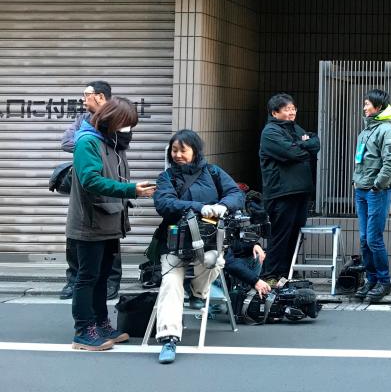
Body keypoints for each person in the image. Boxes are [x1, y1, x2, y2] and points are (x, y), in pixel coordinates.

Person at [67, 97, 156, 350]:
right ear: (112, 121)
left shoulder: (113, 144)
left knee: (102, 276)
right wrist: (132, 190)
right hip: (88, 223)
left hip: (109, 222)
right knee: (87, 277)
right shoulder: (88, 142)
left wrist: (131, 190)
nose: (128, 130)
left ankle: (101, 323)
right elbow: (90, 180)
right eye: (126, 124)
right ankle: (83, 330)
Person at [152, 129, 244, 364]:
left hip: (209, 240)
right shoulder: (166, 177)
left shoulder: (213, 172)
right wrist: (200, 207)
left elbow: (236, 193)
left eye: (183, 150)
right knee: (171, 283)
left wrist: (223, 206)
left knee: (215, 260)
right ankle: (169, 339)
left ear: (195, 151)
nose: (178, 155)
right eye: (174, 150)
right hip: (175, 243)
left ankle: (197, 292)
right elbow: (164, 204)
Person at [59, 81, 124, 300]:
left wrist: (89, 139)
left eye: (87, 95)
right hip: (84, 183)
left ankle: (111, 282)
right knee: (77, 233)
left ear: (100, 96)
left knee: (110, 237)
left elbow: (120, 141)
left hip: (111, 180)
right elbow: (66, 142)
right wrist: (88, 140)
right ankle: (73, 280)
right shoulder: (83, 122)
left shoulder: (118, 116)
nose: (83, 99)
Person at [258, 93, 321, 283]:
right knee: (280, 236)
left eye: (293, 108)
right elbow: (292, 153)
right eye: (287, 109)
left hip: (300, 192)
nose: (292, 112)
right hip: (281, 193)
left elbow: (316, 142)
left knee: (295, 235)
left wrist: (302, 144)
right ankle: (270, 275)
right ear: (275, 112)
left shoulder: (294, 128)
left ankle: (286, 274)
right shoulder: (270, 132)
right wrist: (304, 145)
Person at [352, 89, 391, 303]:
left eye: (368, 104)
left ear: (378, 107)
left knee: (374, 238)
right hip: (360, 189)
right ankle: (371, 280)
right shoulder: (365, 131)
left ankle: (383, 281)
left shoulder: (387, 131)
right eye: (364, 104)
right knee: (364, 239)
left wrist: (377, 186)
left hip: (376, 191)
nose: (364, 108)